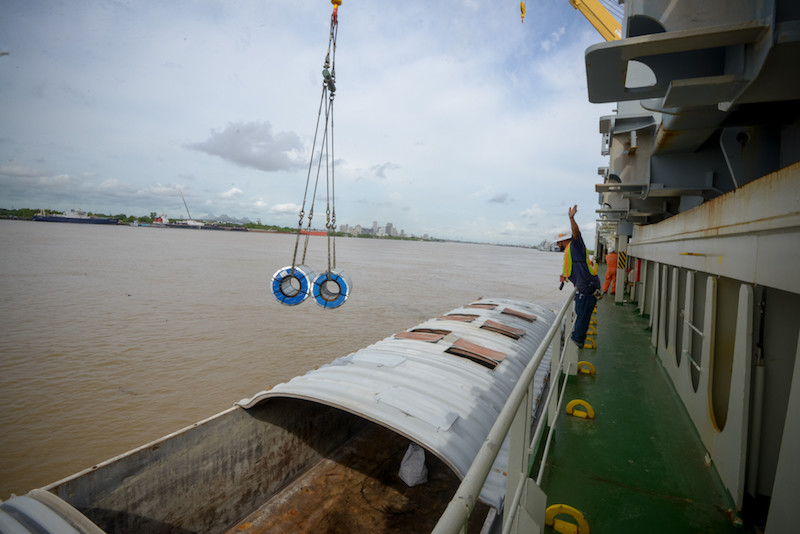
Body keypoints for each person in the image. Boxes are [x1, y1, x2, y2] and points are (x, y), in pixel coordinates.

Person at [556, 205, 602, 348]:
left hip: (587, 287)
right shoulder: (570, 250)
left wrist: (571, 218)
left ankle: (577, 342)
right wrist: (565, 277)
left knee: (582, 314)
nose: (557, 245)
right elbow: (572, 267)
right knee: (581, 312)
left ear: (564, 240)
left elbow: (576, 233)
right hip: (584, 286)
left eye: (558, 242)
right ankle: (577, 340)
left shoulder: (575, 244)